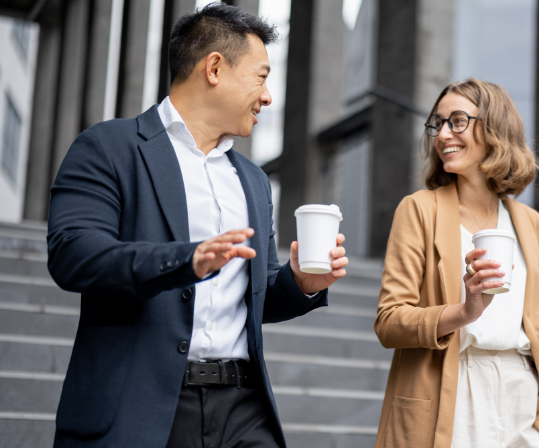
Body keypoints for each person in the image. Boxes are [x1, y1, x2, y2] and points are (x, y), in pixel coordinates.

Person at [46, 4, 347, 447]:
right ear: (214, 68)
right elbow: (74, 254)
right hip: (144, 408)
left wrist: (300, 283)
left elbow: (253, 296)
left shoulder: (254, 180)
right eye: (262, 77)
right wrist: (186, 259)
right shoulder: (109, 148)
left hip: (244, 409)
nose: (267, 97)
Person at [373, 79, 539, 448]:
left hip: (522, 392)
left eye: (458, 121)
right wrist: (464, 312)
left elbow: (524, 324)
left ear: (495, 128)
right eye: (438, 123)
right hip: (453, 388)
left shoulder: (531, 223)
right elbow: (389, 322)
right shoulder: (419, 209)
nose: (443, 134)